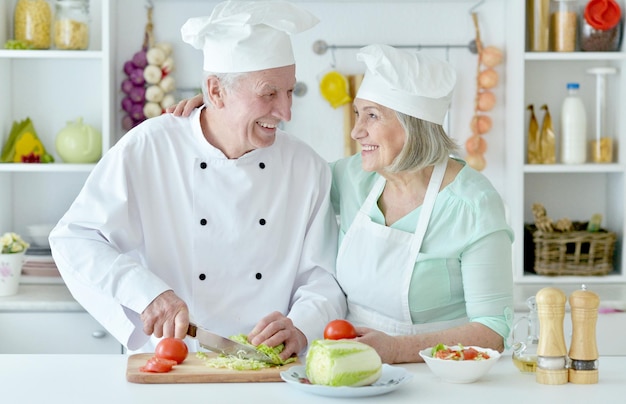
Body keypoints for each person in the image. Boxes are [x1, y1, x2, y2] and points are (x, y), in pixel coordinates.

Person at [170, 44, 514, 364]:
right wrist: (223, 109)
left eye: (372, 116)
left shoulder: (474, 205)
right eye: (357, 114)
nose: (356, 131)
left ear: (414, 126)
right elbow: (278, 170)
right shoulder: (353, 178)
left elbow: (493, 331)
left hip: (441, 374)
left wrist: (396, 348)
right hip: (353, 364)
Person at [49, 0, 346, 359]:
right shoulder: (150, 148)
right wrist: (146, 293)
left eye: (289, 92)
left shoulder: (306, 168)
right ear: (216, 91)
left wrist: (301, 325)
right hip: (175, 362)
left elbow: (323, 278)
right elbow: (75, 239)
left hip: (269, 369)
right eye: (269, 93)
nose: (285, 112)